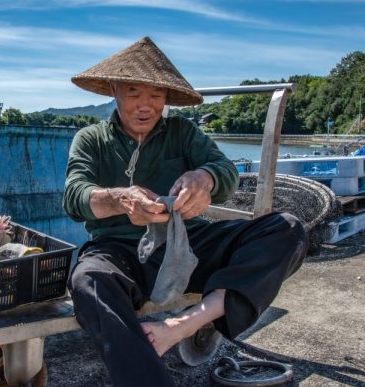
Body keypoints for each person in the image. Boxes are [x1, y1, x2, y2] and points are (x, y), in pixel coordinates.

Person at [63, 36, 307, 387]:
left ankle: (180, 327)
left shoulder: (183, 131)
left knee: (287, 228)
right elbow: (74, 196)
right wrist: (120, 199)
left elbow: (226, 170)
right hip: (120, 251)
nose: (145, 105)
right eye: (133, 92)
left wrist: (203, 177)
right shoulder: (91, 138)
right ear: (114, 91)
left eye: (156, 96)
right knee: (88, 281)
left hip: (189, 244)